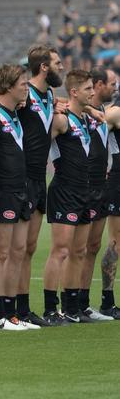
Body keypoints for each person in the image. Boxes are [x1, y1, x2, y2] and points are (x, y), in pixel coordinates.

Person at [0, 65, 35, 331]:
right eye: (22, 82)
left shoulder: (16, 113)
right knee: (0, 253)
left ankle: (13, 313)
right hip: (0, 188)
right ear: (8, 86)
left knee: (17, 252)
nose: (26, 86)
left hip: (21, 189)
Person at [15, 44, 64, 327]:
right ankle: (12, 311)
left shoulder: (48, 95)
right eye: (57, 63)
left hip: (38, 178)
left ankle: (24, 309)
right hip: (20, 177)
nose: (61, 67)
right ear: (44, 67)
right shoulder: (24, 93)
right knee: (18, 248)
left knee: (30, 247)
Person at [43, 70, 94, 324]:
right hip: (64, 190)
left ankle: (72, 307)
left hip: (83, 190)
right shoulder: (61, 120)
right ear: (74, 92)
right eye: (87, 89)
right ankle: (51, 309)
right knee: (60, 250)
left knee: (80, 251)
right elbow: (39, 144)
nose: (92, 93)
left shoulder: (84, 118)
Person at [78, 68, 116, 321]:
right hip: (81, 186)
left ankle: (84, 304)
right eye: (111, 84)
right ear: (98, 85)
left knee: (92, 246)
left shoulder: (105, 114)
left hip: (100, 186)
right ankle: (70, 304)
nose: (115, 88)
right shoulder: (78, 113)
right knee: (77, 248)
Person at [100, 72, 120, 319]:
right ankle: (108, 300)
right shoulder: (114, 113)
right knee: (115, 241)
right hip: (118, 180)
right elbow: (91, 129)